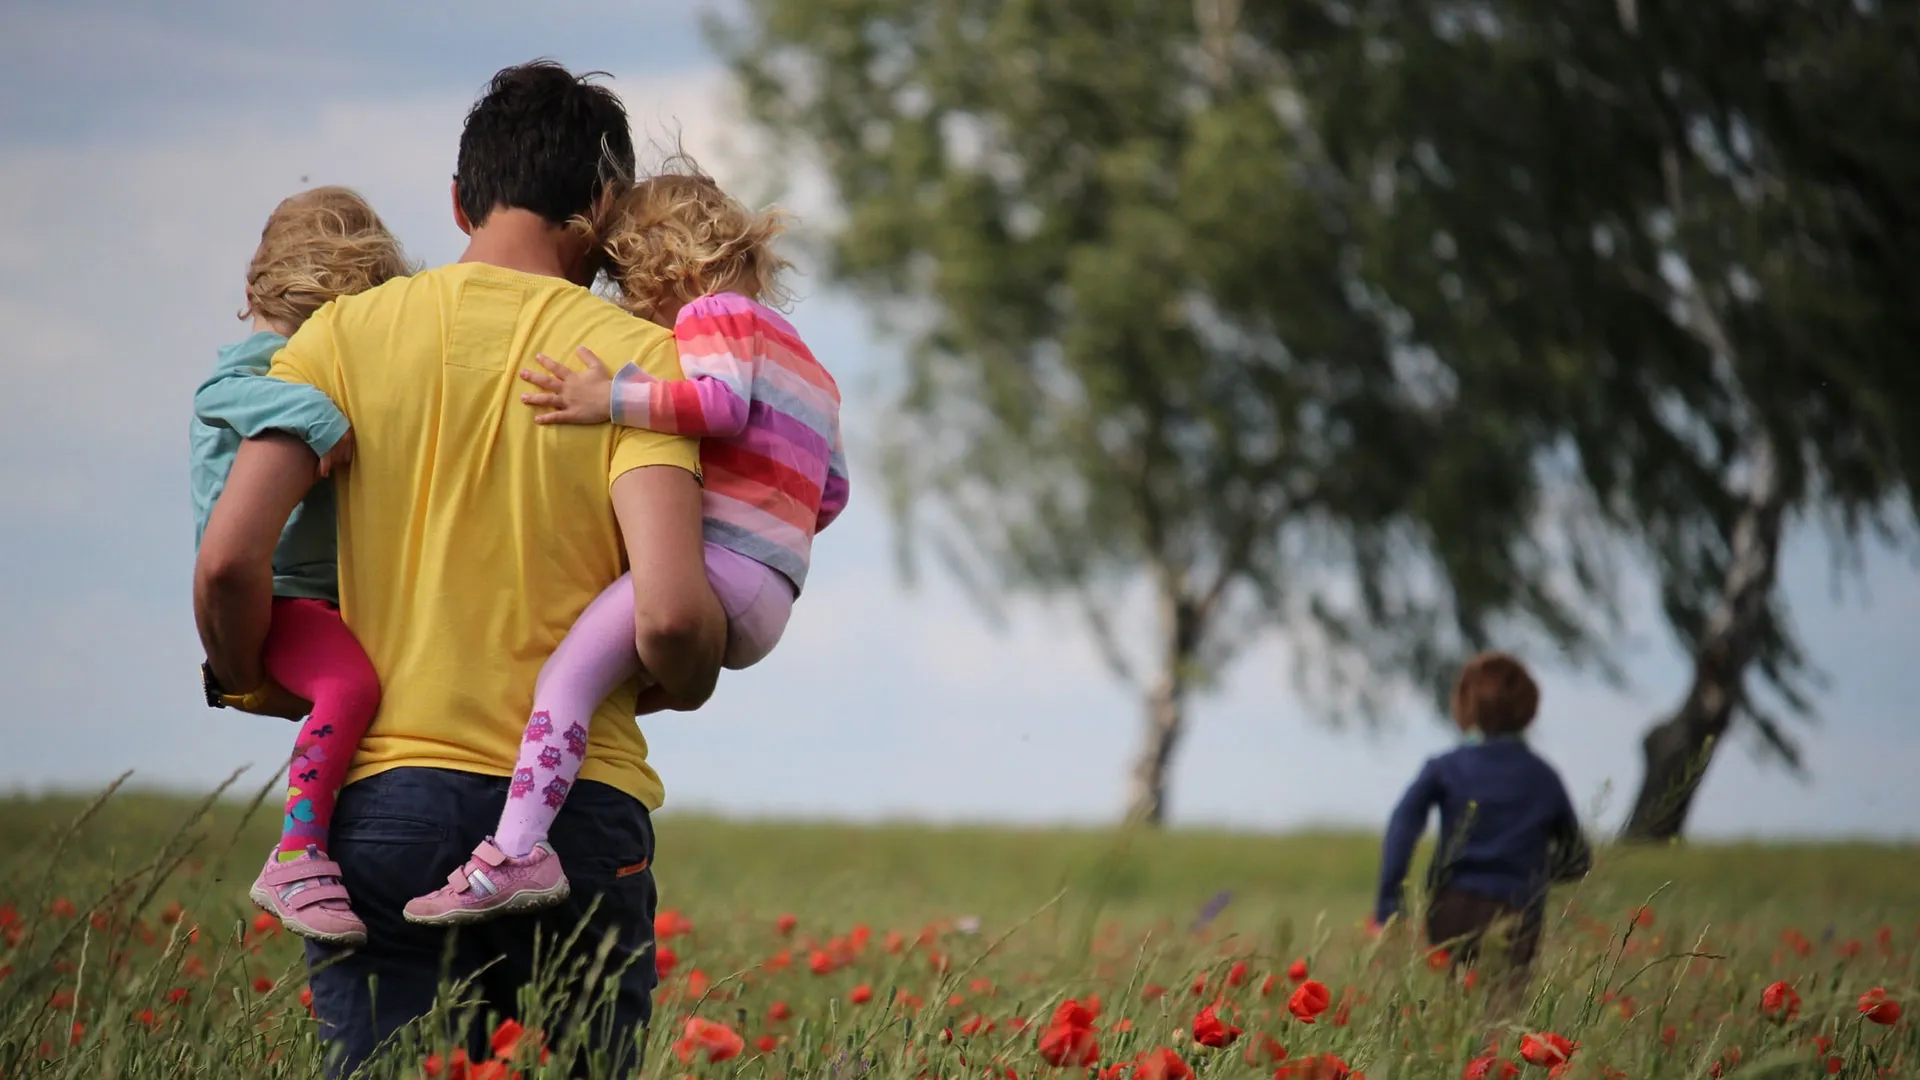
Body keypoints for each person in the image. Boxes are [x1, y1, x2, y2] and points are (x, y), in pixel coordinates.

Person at [193, 61, 727, 1077]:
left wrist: (251, 673)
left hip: (383, 804)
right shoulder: (636, 364)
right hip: (575, 815)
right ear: (604, 207)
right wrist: (687, 678)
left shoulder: (338, 338)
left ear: (457, 201)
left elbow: (227, 561)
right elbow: (668, 615)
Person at [403, 168, 850, 925]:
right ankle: (541, 813)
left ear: (665, 269)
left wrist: (607, 397)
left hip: (719, 568)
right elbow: (831, 493)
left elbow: (718, 406)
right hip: (773, 592)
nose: (639, 313)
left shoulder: (713, 314)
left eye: (632, 289)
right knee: (607, 680)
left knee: (564, 679)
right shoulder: (811, 365)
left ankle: (516, 851)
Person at [191, 186, 406, 945]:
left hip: (316, 595)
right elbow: (220, 393)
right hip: (280, 595)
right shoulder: (263, 365)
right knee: (350, 688)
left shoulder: (295, 357)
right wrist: (319, 416)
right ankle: (297, 852)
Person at [1371, 652, 1591, 998]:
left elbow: (1402, 827)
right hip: (1518, 910)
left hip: (1452, 907)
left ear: (1464, 705)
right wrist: (1533, 872)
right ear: (1528, 709)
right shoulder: (1543, 777)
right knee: (1502, 1009)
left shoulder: (1445, 767)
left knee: (1454, 1003)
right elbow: (1577, 858)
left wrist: (1389, 905)